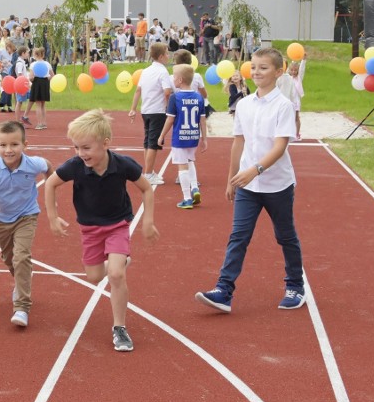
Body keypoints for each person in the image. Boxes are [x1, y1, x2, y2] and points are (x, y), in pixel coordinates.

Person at [195, 48, 306, 313]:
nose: (256, 72)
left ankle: (295, 286)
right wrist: (231, 179)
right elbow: (238, 143)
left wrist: (254, 170)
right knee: (238, 236)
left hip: (277, 185)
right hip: (248, 185)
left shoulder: (284, 106)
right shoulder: (243, 104)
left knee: (285, 235)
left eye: (264, 68)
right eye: (253, 67)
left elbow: (280, 147)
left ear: (279, 72)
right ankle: (224, 290)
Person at [44, 110, 158, 351]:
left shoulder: (123, 164)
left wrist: (147, 221)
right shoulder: (75, 166)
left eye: (86, 147)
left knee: (116, 275)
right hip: (90, 229)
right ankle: (118, 262)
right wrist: (53, 218)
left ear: (105, 143)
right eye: (76, 148)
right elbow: (50, 184)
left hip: (117, 225)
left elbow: (147, 189)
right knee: (95, 277)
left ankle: (120, 328)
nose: (80, 153)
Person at [0, 121, 53, 327]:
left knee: (21, 257)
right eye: (3, 145)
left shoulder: (34, 163)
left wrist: (50, 185)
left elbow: (48, 168)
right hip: (1, 219)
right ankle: (22, 279)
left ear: (24, 145)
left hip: (27, 215)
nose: (8, 150)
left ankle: (22, 307)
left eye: (14, 145)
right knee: (9, 259)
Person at [157, 65, 207, 209]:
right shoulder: (199, 97)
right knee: (190, 161)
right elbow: (202, 120)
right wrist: (204, 139)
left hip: (180, 137)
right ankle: (195, 188)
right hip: (193, 136)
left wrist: (161, 135)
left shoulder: (175, 97)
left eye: (173, 76)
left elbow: (170, 119)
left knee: (182, 167)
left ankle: (186, 198)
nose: (172, 79)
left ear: (179, 79)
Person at [128, 42, 172, 185]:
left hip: (146, 110)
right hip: (158, 111)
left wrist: (133, 109)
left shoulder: (145, 71)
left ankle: (149, 171)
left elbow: (138, 90)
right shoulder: (163, 72)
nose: (168, 55)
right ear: (160, 56)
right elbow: (167, 92)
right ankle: (148, 174)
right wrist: (169, 107)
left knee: (148, 142)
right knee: (153, 143)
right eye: (166, 53)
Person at [27, 47, 53, 130]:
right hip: (45, 83)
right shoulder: (47, 64)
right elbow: (52, 75)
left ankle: (39, 123)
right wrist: (46, 79)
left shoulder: (33, 64)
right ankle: (44, 123)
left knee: (38, 104)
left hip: (37, 83)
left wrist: (32, 80)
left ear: (36, 55)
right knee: (43, 104)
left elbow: (31, 77)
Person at [13, 46, 32, 125]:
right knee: (19, 102)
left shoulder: (22, 62)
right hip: (21, 85)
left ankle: (23, 117)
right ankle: (17, 121)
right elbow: (20, 75)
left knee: (30, 99)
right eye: (27, 52)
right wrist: (22, 87)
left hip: (24, 85)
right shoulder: (20, 63)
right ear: (23, 53)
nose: (28, 54)